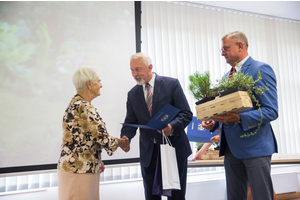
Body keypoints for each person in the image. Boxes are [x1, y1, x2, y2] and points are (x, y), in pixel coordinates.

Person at [202, 31, 278, 200]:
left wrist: (240, 118)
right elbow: (229, 111)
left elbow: (271, 110)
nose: (222, 53)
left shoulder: (261, 70)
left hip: (256, 147)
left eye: (225, 48)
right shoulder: (226, 77)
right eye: (221, 49)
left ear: (240, 46)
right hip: (230, 150)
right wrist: (214, 123)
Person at [120, 52, 193, 200]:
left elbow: (186, 114)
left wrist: (171, 127)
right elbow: (130, 122)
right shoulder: (132, 94)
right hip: (149, 154)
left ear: (150, 67)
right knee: (151, 197)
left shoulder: (171, 84)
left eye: (138, 69)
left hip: (173, 149)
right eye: (132, 70)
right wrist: (126, 137)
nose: (134, 74)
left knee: (176, 197)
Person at [57, 66, 129, 200]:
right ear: (89, 84)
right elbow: (102, 137)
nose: (101, 85)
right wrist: (121, 142)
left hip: (75, 169)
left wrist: (98, 159)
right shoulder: (85, 107)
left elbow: (82, 138)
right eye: (99, 81)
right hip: (80, 171)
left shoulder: (75, 103)